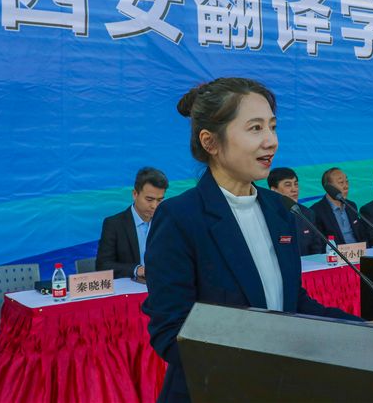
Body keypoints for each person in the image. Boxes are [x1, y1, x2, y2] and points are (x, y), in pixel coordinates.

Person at [143, 77, 360, 403]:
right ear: (210, 142)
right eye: (255, 128)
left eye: (272, 127)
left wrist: (366, 331)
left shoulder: (280, 209)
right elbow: (171, 332)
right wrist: (260, 363)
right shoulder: (180, 217)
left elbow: (292, 303)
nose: (271, 141)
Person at [95, 167, 168, 279]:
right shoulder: (114, 225)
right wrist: (137, 270)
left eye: (159, 200)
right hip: (130, 286)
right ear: (135, 194)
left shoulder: (166, 223)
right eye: (149, 200)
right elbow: (103, 266)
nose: (154, 206)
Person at [267, 167, 323, 255]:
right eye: (288, 185)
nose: (294, 189)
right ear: (274, 190)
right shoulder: (267, 214)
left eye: (296, 184)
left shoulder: (307, 213)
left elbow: (316, 247)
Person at [309, 167, 366, 245]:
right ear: (328, 188)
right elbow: (318, 243)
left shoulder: (351, 206)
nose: (346, 186)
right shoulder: (316, 211)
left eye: (347, 182)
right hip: (335, 252)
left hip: (359, 251)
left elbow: (362, 234)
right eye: (341, 182)